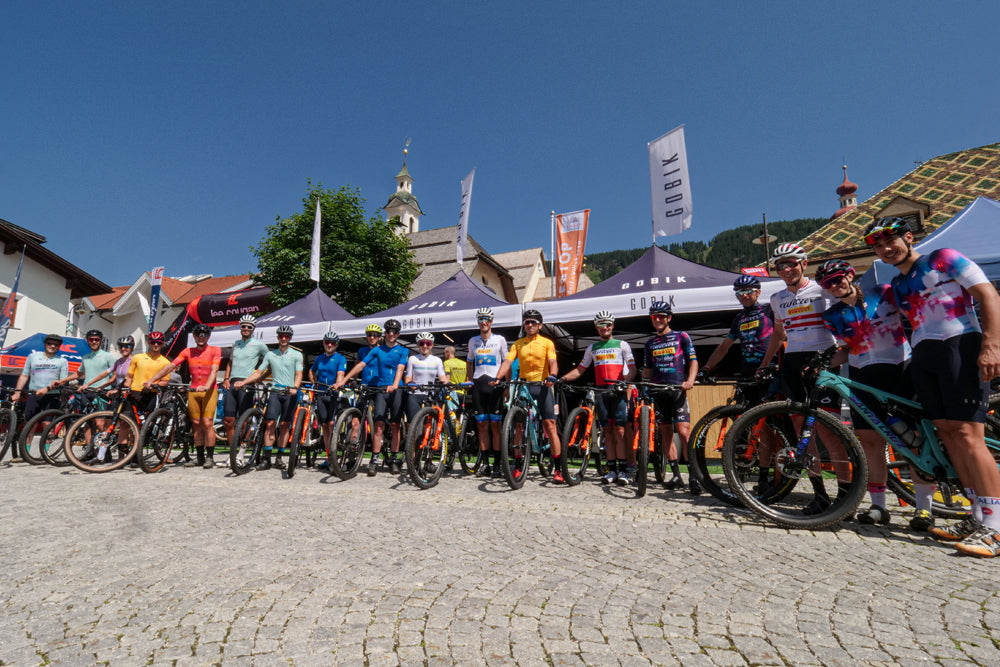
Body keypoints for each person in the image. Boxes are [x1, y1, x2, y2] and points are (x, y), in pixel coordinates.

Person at [867, 216, 1000, 556]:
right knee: (947, 432)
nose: (885, 249)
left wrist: (991, 345)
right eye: (878, 246)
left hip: (960, 344)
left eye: (890, 241)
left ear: (909, 238)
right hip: (925, 353)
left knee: (969, 434)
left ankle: (996, 527)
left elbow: (987, 295)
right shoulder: (897, 284)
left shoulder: (944, 256)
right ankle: (975, 516)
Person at [817, 259, 924, 526]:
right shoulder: (832, 316)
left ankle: (924, 508)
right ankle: (878, 507)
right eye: (827, 284)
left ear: (851, 275)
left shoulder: (884, 292)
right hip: (862, 376)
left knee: (912, 441)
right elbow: (845, 349)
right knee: (870, 442)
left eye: (838, 279)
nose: (834, 286)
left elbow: (914, 317)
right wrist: (820, 363)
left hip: (899, 370)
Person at [758, 243, 848, 514]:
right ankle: (819, 494)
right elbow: (779, 334)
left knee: (830, 432)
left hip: (823, 359)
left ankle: (845, 495)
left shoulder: (822, 289)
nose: (786, 269)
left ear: (804, 263)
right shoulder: (777, 299)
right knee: (801, 435)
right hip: (794, 362)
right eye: (780, 265)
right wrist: (765, 363)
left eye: (791, 263)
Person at [560, 310, 636, 485]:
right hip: (601, 391)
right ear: (596, 327)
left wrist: (625, 382)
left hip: (617, 390)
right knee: (608, 433)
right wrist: (562, 378)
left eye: (608, 324)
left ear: (613, 326)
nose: (605, 327)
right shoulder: (591, 348)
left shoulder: (622, 344)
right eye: (601, 324)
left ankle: (623, 470)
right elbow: (580, 370)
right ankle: (611, 470)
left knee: (621, 431)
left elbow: (632, 369)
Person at [494, 309, 566, 484]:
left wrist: (553, 375)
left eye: (533, 322)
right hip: (524, 386)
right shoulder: (518, 344)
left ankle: (558, 469)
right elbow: (508, 362)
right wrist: (497, 378)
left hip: (542, 386)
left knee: (550, 425)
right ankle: (518, 465)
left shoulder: (547, 343)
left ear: (540, 325)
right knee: (518, 426)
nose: (530, 325)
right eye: (527, 322)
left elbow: (552, 361)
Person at [336, 319, 409, 475]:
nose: (391, 334)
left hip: (397, 390)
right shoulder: (377, 350)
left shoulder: (403, 350)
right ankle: (374, 460)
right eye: (388, 331)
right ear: (385, 333)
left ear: (398, 334)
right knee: (379, 426)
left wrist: (395, 384)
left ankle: (394, 459)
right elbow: (361, 365)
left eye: (394, 332)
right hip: (381, 389)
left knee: (395, 426)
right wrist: (344, 379)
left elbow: (401, 368)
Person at [146, 323, 222, 469]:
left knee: (207, 423)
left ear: (208, 336)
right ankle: (199, 458)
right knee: (196, 424)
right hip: (193, 390)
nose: (201, 337)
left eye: (204, 334)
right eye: (198, 334)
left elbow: (214, 369)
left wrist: (207, 386)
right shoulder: (188, 351)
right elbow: (170, 366)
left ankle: (210, 458)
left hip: (209, 390)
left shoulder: (215, 350)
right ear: (194, 336)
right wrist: (152, 380)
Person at [643, 302, 699, 492]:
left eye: (661, 316)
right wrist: (645, 387)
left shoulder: (681, 336)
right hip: (658, 392)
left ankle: (694, 475)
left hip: (677, 390)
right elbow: (647, 370)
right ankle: (676, 475)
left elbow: (693, 361)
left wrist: (690, 381)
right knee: (665, 433)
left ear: (669, 318)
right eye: (654, 317)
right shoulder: (649, 343)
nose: (657, 319)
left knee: (683, 432)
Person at [235, 324, 303, 471]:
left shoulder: (297, 354)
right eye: (281, 336)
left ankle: (279, 457)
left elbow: (298, 374)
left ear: (290, 338)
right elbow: (259, 372)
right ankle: (266, 459)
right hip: (275, 392)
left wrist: (295, 387)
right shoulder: (271, 354)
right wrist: (244, 382)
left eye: (286, 336)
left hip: (290, 393)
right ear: (278, 337)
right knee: (270, 424)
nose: (283, 338)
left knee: (284, 426)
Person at [702, 275, 776, 406]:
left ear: (758, 292)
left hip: (769, 368)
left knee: (773, 411)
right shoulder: (739, 318)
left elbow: (782, 336)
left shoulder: (769, 310)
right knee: (751, 413)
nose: (744, 295)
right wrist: (707, 367)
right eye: (739, 292)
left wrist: (767, 364)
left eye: (748, 291)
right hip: (748, 371)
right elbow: (724, 346)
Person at [466, 307, 509, 478]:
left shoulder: (500, 340)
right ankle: (485, 464)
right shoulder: (473, 341)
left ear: (491, 321)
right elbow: (469, 361)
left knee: (495, 426)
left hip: (495, 385)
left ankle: (497, 465)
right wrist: (470, 379)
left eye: (487, 319)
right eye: (481, 319)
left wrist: (506, 386)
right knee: (481, 425)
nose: (484, 322)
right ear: (477, 321)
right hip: (478, 384)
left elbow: (506, 362)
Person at [12, 334, 69, 458]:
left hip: (52, 395)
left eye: (56, 344)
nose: (52, 346)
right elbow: (24, 375)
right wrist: (17, 392)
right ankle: (25, 453)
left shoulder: (62, 360)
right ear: (45, 344)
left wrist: (47, 388)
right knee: (29, 425)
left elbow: (63, 381)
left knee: (47, 425)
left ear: (59, 346)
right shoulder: (33, 357)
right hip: (33, 394)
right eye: (50, 343)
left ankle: (46, 454)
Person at [222, 314, 268, 446]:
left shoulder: (259, 345)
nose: (246, 329)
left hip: (247, 383)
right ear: (240, 328)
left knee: (244, 419)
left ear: (253, 329)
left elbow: (270, 362)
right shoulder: (236, 343)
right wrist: (226, 378)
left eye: (249, 327)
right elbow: (230, 362)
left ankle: (242, 449)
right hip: (232, 382)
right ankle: (232, 451)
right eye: (243, 326)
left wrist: (259, 377)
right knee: (228, 420)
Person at [309, 330, 347, 469]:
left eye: (332, 343)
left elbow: (340, 373)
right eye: (327, 342)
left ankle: (335, 455)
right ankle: (329, 457)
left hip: (332, 394)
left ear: (336, 345)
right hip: (320, 393)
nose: (329, 345)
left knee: (331, 424)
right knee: (324, 426)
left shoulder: (340, 359)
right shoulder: (319, 358)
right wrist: (314, 382)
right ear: (324, 343)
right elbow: (311, 370)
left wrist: (337, 385)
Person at [403, 332, 450, 422]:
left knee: (427, 424)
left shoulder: (437, 360)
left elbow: (442, 378)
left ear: (432, 345)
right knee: (412, 423)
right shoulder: (412, 359)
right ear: (418, 345)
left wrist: (448, 383)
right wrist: (409, 383)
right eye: (422, 343)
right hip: (415, 394)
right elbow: (408, 377)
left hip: (430, 395)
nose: (425, 346)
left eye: (428, 343)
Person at [123, 331, 171, 415]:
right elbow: (129, 377)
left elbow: (165, 382)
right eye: (153, 342)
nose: (155, 345)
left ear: (163, 343)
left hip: (151, 394)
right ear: (148, 342)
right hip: (134, 392)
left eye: (158, 342)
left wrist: (154, 384)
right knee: (126, 421)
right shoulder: (137, 357)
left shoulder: (166, 363)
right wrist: (126, 388)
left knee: (147, 423)